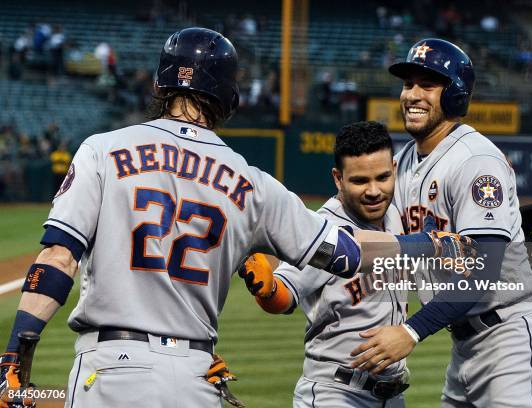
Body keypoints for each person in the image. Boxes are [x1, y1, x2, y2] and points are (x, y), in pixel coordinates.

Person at [0, 29, 472, 408]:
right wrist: (427, 245)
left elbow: (59, 257)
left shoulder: (103, 150)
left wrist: (17, 353)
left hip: (109, 367)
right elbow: (347, 252)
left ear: (161, 86)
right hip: (194, 374)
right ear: (228, 96)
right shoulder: (252, 182)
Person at [350, 38, 532, 407]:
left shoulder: (475, 161)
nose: (412, 95)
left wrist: (411, 331)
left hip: (515, 343)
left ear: (455, 94)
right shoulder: (405, 160)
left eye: (427, 84)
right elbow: (368, 228)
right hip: (466, 349)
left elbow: (482, 269)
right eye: (408, 84)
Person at [239, 121, 410, 407]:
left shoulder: (396, 216)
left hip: (392, 396)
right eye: (359, 181)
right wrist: (267, 289)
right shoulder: (323, 230)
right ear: (338, 178)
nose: (373, 191)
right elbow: (284, 294)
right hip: (338, 394)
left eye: (382, 177)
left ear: (394, 169)